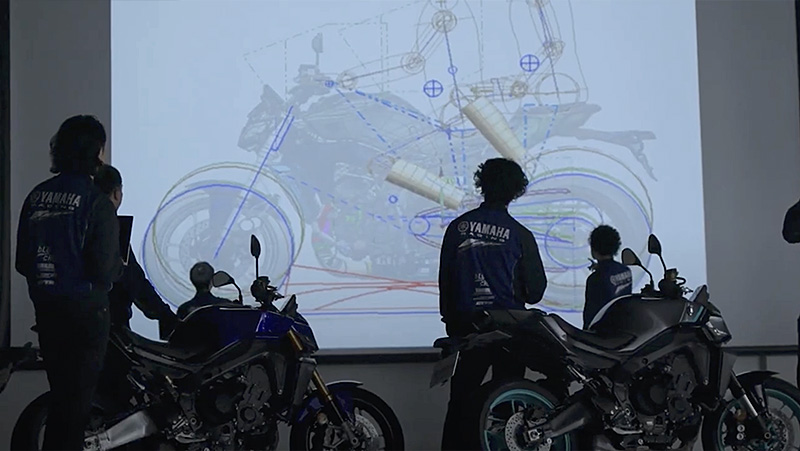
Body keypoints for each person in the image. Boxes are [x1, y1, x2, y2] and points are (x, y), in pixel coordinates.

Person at [15, 115, 123, 450]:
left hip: (47, 314)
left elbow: (22, 262)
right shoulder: (96, 202)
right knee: (75, 411)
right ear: (97, 152)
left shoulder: (36, 196)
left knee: (61, 403)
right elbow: (104, 272)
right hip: (86, 319)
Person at [438, 158, 547, 451]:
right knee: (508, 406)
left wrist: (453, 326)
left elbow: (446, 283)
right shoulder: (520, 235)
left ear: (481, 184)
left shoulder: (457, 228)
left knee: (460, 403)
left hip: (466, 331)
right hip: (510, 333)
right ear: (516, 190)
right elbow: (535, 292)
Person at [93, 164, 178, 335]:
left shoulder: (77, 224)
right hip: (109, 328)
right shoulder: (111, 229)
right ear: (117, 193)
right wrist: (165, 315)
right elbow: (133, 281)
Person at [583, 225, 632, 330]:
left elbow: (591, 316)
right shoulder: (626, 270)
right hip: (623, 328)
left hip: (604, 333)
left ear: (593, 249)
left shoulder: (595, 279)